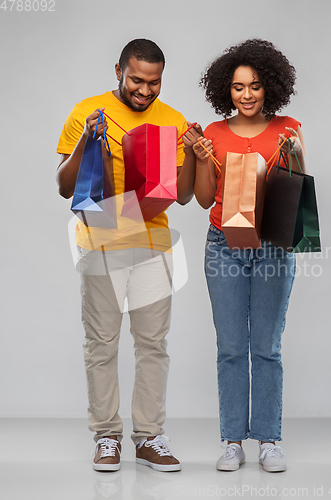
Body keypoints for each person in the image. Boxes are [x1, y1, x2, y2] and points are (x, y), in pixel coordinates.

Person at [56, 38, 200, 472]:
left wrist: (192, 153)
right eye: (137, 79)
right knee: (101, 343)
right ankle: (106, 437)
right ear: (118, 69)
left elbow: (186, 195)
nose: (145, 90)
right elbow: (65, 186)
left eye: (154, 82)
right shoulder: (87, 110)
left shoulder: (171, 120)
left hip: (153, 244)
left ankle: (150, 437)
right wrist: (86, 139)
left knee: (153, 345)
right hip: (99, 244)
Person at [187, 39, 306, 472]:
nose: (247, 94)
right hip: (224, 243)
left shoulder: (288, 126)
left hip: (273, 243)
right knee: (232, 347)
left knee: (267, 347)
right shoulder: (215, 134)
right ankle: (232, 440)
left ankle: (269, 440)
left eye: (255, 85)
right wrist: (200, 158)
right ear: (226, 90)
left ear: (270, 86)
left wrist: (294, 154)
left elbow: (295, 192)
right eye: (238, 87)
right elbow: (203, 199)